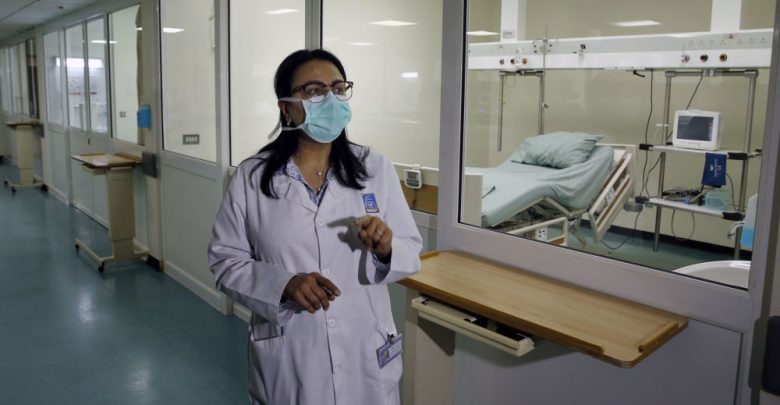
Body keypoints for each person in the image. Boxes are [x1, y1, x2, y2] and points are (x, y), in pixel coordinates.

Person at [207, 49, 423, 405]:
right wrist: (284, 285)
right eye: (314, 91)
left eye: (338, 89)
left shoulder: (375, 168)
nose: (331, 100)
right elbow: (225, 261)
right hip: (292, 353)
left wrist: (387, 249)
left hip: (364, 347)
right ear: (286, 107)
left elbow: (410, 247)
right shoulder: (252, 176)